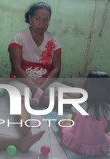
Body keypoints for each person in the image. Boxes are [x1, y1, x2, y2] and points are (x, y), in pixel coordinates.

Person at [8, 2, 76, 135]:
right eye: (38, 19)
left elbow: (56, 69)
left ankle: (39, 101)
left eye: (46, 20)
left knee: (77, 96)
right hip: (22, 81)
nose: (42, 23)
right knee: (21, 101)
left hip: (44, 83)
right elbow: (16, 68)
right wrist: (34, 89)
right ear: (30, 19)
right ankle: (26, 131)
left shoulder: (54, 40)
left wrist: (41, 89)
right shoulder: (19, 37)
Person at [57, 71, 110, 156]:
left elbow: (73, 124)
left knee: (59, 122)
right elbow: (106, 130)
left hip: (77, 142)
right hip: (97, 145)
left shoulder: (80, 104)